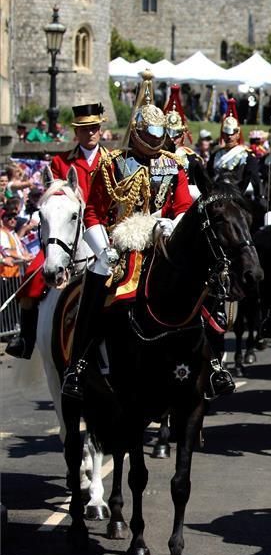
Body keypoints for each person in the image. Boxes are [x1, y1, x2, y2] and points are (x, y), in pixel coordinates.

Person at [61, 72, 199, 400]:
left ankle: (210, 359)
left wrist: (173, 225)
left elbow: (183, 206)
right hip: (122, 245)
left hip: (163, 244)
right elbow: (93, 212)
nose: (154, 142)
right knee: (97, 281)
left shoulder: (173, 166)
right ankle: (77, 365)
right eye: (148, 135)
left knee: (197, 283)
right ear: (136, 132)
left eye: (158, 135)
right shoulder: (112, 165)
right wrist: (103, 249)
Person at [7, 103, 109, 359]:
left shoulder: (112, 160)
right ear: (77, 131)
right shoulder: (60, 162)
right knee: (33, 271)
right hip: (66, 231)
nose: (91, 133)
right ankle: (26, 338)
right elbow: (54, 198)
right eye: (85, 129)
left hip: (104, 229)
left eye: (95, 128)